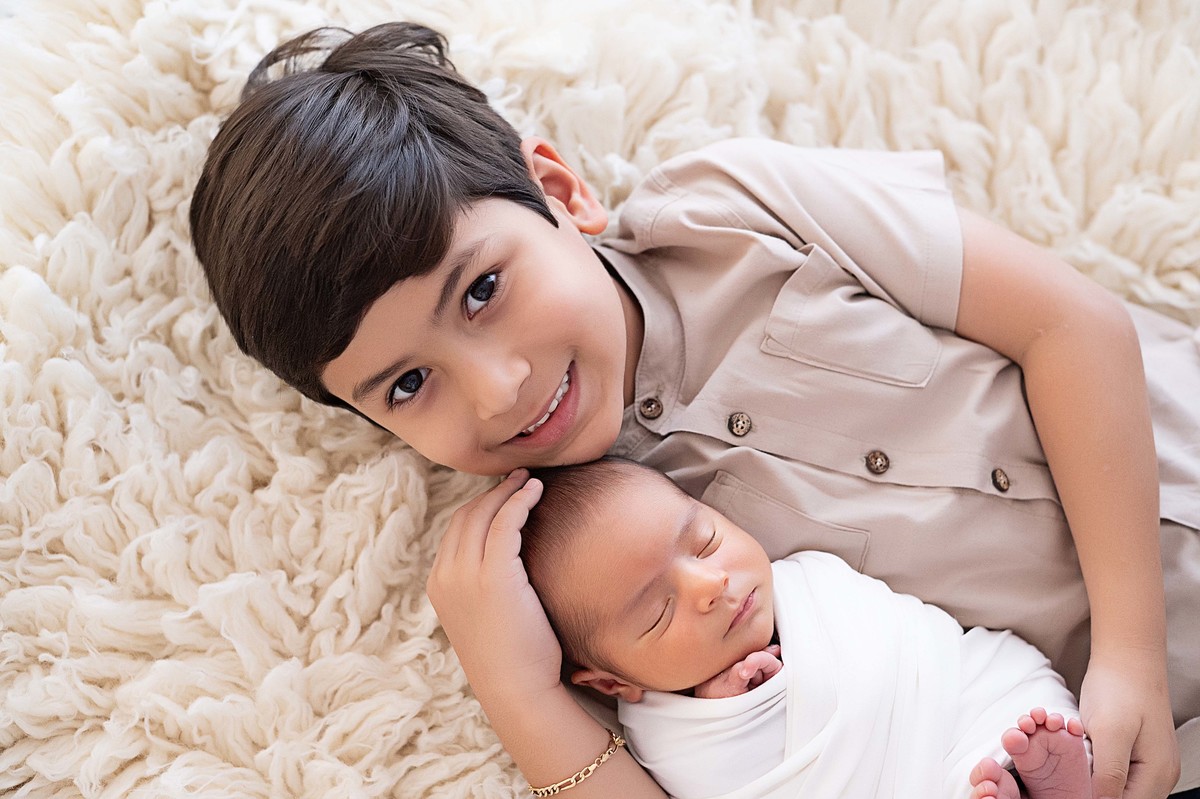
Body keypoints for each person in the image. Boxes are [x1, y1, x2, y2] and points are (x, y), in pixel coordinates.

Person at [187, 21, 1200, 799]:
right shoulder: (576, 573)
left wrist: (1128, 652)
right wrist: (519, 693)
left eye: (483, 290)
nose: (497, 389)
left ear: (561, 192)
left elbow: (1068, 322)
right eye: (409, 385)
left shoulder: (730, 207)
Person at [516, 456, 1091, 799]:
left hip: (957, 702)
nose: (710, 584)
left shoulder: (809, 579)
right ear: (613, 683)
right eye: (659, 612)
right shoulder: (668, 738)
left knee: (1014, 680)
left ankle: (1040, 773)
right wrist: (741, 709)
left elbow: (912, 643)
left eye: (706, 541)